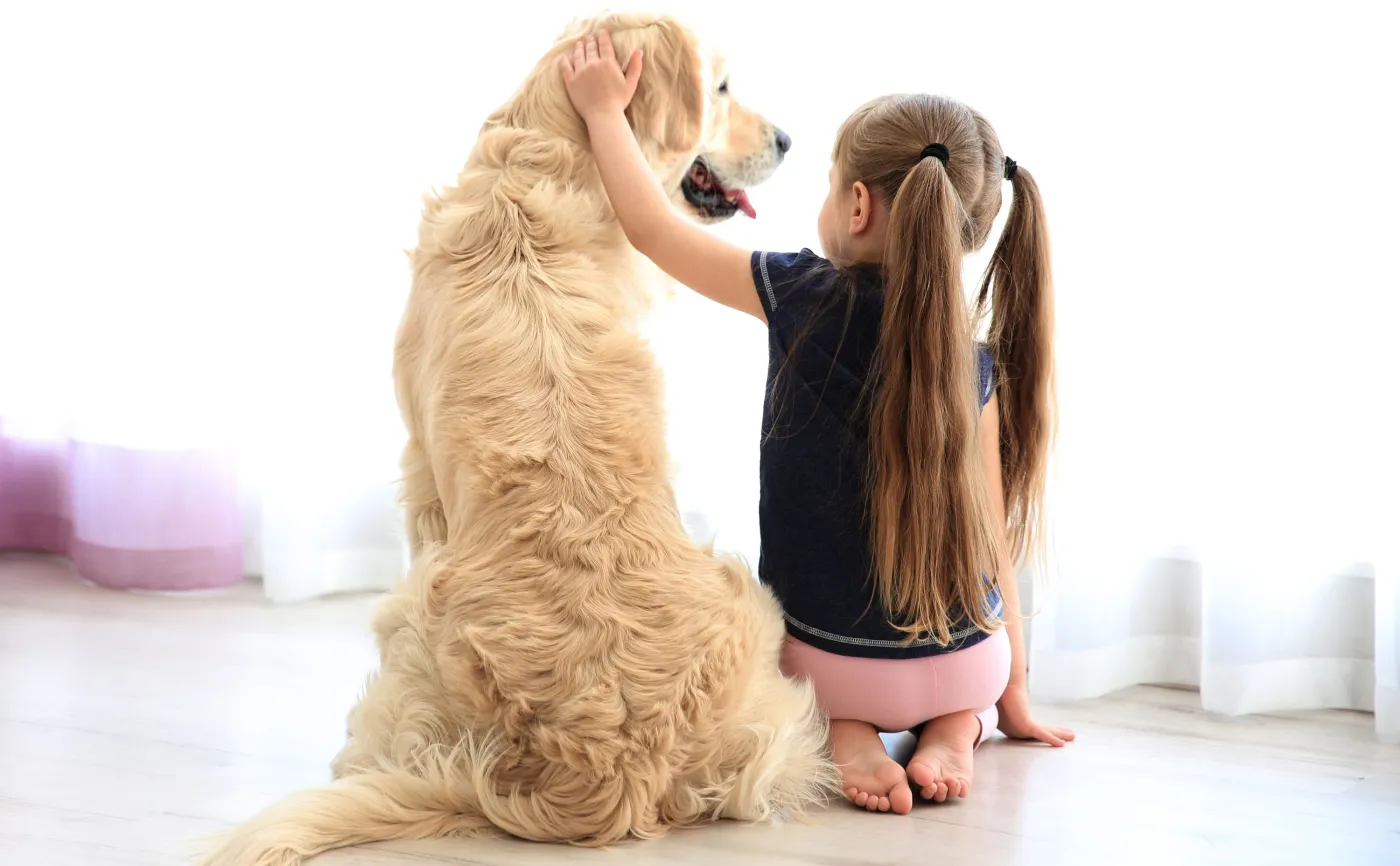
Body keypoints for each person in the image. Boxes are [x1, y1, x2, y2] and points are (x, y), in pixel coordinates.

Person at [560, 32, 1074, 816]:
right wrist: (1012, 691)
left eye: (834, 186)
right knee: (957, 687)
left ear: (858, 205)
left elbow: (652, 231)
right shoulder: (975, 364)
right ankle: (953, 730)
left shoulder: (798, 294)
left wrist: (603, 115)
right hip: (972, 662)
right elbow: (995, 542)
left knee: (791, 653)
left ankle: (848, 732)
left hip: (832, 667)